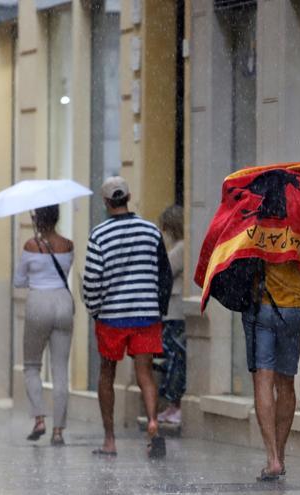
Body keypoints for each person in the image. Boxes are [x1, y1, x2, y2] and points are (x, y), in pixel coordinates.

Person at [82, 176, 172, 458]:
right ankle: (154, 423)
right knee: (145, 373)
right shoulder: (151, 231)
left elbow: (92, 280)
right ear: (129, 197)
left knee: (106, 373)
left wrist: (95, 308)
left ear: (106, 202)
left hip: (112, 316)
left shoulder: (99, 235)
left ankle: (109, 440)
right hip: (146, 314)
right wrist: (159, 307)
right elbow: (164, 274)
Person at [243, 260, 300, 481]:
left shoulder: (255, 226)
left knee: (263, 379)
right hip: (293, 307)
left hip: (261, 306)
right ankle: (280, 455)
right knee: (286, 383)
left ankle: (272, 458)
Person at [12, 204, 74, 446]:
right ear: (57, 217)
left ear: (37, 218)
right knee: (60, 370)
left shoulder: (30, 246)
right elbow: (65, 270)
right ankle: (58, 431)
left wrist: (33, 273)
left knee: (31, 366)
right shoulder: (68, 245)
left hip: (39, 302)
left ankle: (39, 418)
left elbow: (19, 281)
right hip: (63, 302)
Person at [156, 205, 185, 424]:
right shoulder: (178, 248)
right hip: (172, 310)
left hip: (175, 311)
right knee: (173, 357)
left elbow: (163, 272)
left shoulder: (180, 249)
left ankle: (176, 403)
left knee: (176, 358)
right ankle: (172, 404)